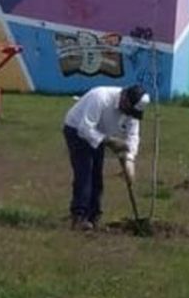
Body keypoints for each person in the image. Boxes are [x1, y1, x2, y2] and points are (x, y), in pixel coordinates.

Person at [62, 83, 149, 230]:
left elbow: (132, 135)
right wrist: (108, 141)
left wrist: (129, 160)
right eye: (128, 110)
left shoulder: (132, 111)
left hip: (99, 133)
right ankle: (79, 216)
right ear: (124, 97)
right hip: (77, 130)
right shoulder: (100, 97)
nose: (128, 115)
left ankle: (93, 216)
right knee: (85, 173)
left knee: (97, 176)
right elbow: (85, 128)